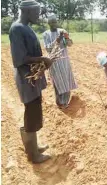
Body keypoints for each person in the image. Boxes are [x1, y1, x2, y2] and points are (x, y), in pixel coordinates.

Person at [9, 0, 53, 164]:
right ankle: (33, 155)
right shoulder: (17, 29)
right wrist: (42, 59)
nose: (38, 15)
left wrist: (42, 63)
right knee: (32, 110)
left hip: (32, 78)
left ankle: (32, 147)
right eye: (36, 12)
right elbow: (19, 59)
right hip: (27, 78)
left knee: (34, 110)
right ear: (27, 12)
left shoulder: (26, 28)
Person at [43, 15, 77, 109]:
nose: (54, 24)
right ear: (48, 23)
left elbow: (69, 44)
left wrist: (67, 38)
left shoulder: (62, 31)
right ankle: (59, 102)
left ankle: (65, 102)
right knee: (58, 82)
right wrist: (56, 41)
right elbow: (48, 48)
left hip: (64, 60)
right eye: (52, 22)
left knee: (66, 81)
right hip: (54, 62)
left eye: (55, 22)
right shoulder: (46, 34)